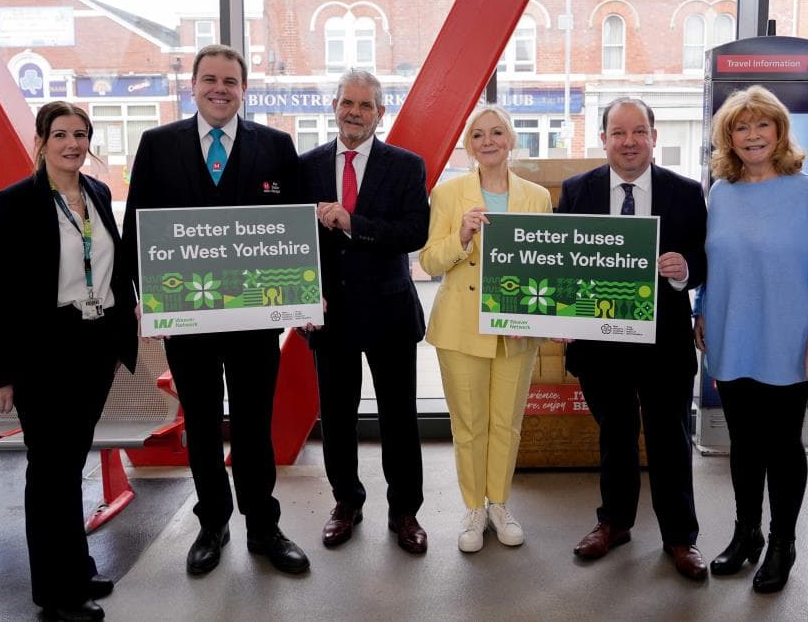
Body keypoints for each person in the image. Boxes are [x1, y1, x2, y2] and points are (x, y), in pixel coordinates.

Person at [121, 45, 308, 576]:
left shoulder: (276, 146)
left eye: (230, 81)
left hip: (254, 321)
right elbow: (137, 228)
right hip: (188, 318)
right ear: (194, 86)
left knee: (253, 425)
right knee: (201, 424)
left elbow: (296, 229)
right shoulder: (157, 145)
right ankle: (212, 524)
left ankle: (264, 526)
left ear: (244, 89)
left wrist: (304, 292)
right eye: (210, 79)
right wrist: (143, 299)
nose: (219, 89)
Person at [0, 101, 138, 622]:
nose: (72, 144)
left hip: (94, 348)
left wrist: (131, 310)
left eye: (80, 135)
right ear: (41, 142)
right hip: (42, 356)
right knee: (50, 472)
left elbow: (112, 265)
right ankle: (56, 593)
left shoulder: (97, 193)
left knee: (69, 467)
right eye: (61, 135)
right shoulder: (16, 202)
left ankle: (77, 567)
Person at [694, 85, 808, 593]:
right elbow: (713, 262)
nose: (752, 135)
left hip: (788, 340)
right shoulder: (721, 192)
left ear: (780, 132)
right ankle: (747, 534)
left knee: (782, 446)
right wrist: (700, 310)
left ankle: (783, 543)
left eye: (762, 124)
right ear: (729, 138)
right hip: (730, 336)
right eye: (741, 127)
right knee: (743, 444)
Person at [557, 97, 709, 581]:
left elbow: (705, 259)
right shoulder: (577, 190)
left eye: (638, 131)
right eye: (618, 133)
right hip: (599, 342)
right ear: (603, 139)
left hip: (664, 342)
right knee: (615, 436)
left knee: (670, 440)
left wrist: (684, 269)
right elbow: (562, 261)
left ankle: (680, 537)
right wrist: (561, 313)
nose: (629, 142)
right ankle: (615, 523)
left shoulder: (686, 192)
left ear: (654, 137)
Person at [298, 69, 431, 553]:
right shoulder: (305, 166)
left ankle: (405, 512)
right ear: (334, 107)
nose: (354, 113)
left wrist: (353, 223)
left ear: (380, 112)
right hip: (329, 313)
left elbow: (414, 232)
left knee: (400, 419)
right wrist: (302, 293)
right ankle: (345, 504)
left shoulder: (406, 166)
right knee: (336, 419)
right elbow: (294, 239)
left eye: (365, 105)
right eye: (347, 103)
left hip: (389, 312)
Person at [419, 105, 552, 553]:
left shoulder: (536, 196)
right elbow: (429, 261)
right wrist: (460, 236)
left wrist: (545, 317)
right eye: (478, 135)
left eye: (497, 132)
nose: (488, 141)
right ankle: (473, 507)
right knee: (470, 424)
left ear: (511, 140)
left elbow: (545, 266)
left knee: (506, 423)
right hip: (461, 327)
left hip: (516, 327)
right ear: (469, 146)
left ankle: (499, 503)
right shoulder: (447, 193)